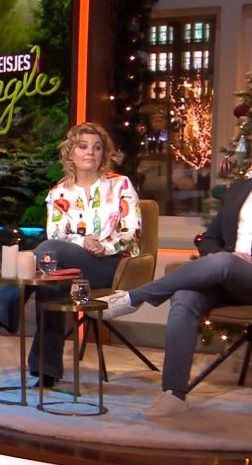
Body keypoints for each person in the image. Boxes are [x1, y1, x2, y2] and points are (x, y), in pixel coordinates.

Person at [0, 123, 142, 387]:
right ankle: (46, 371)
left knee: (49, 252)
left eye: (97, 147)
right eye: (83, 146)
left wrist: (104, 247)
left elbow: (132, 232)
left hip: (110, 267)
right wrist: (83, 241)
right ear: (70, 153)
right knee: (50, 279)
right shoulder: (58, 192)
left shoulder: (120, 184)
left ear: (103, 153)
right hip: (69, 266)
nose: (90, 152)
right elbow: (57, 232)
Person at [102, 178, 252, 417]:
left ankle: (135, 297)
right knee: (185, 296)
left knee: (226, 261)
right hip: (227, 277)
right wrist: (224, 260)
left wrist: (231, 261)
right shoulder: (240, 190)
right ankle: (175, 393)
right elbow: (209, 239)